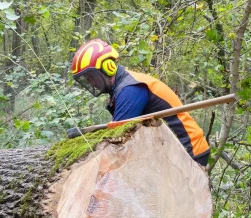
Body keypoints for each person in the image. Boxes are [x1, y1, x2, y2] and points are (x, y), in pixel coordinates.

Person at [71, 39, 211, 167]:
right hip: (170, 149)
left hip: (188, 149)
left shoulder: (130, 89)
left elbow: (118, 137)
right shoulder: (123, 87)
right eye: (87, 80)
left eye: (91, 77)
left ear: (108, 67)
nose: (91, 83)